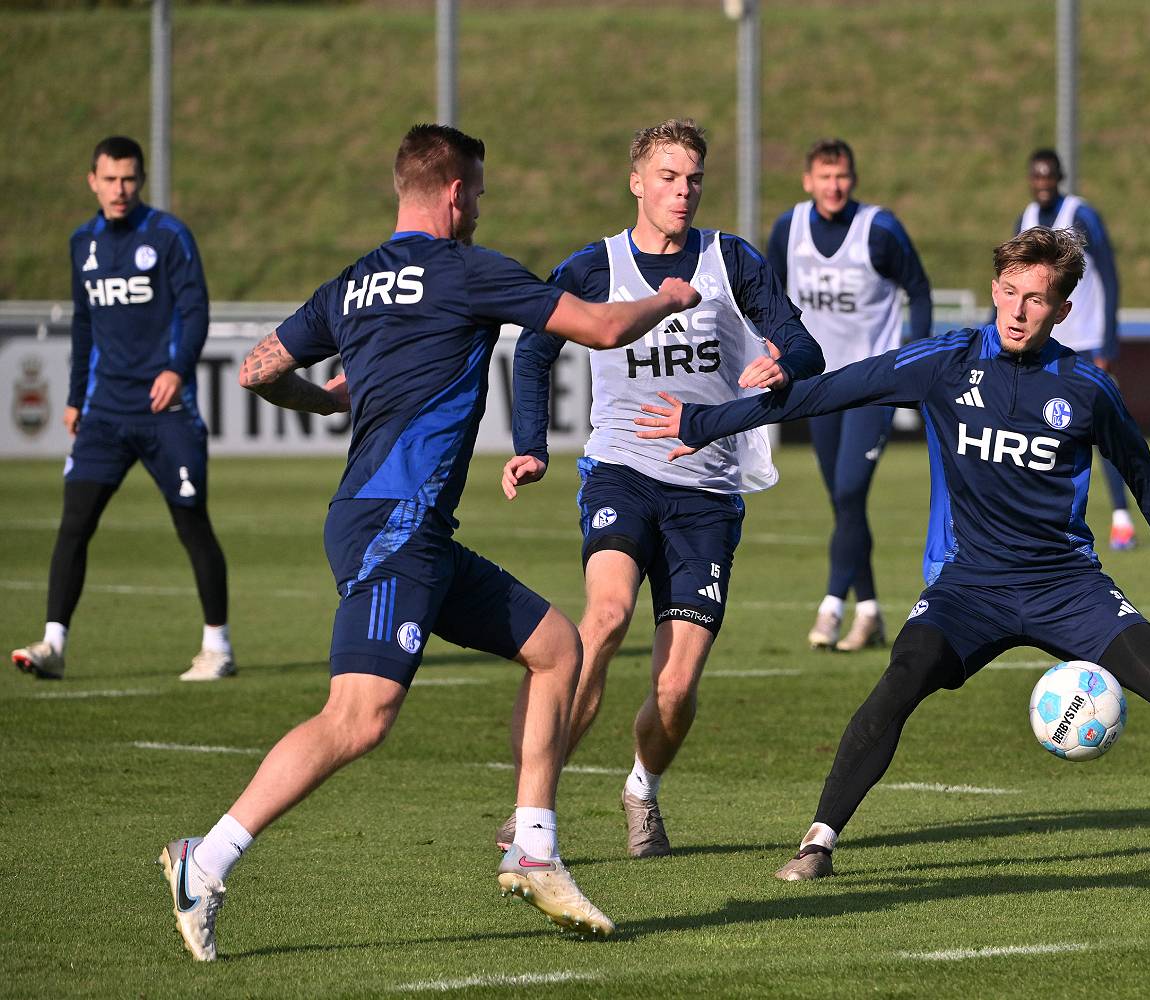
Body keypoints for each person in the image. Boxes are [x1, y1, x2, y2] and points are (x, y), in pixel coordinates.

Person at [157, 124, 703, 960]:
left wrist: (329, 404)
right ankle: (209, 856)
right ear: (453, 194)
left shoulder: (352, 284)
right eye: (478, 193)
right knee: (361, 715)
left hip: (407, 526)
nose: (481, 207)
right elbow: (594, 326)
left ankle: (535, 847)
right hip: (393, 524)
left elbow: (258, 369)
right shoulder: (469, 270)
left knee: (558, 648)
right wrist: (664, 299)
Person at [638, 227, 1150, 884]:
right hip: (970, 587)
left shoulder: (1086, 388)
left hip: (1067, 586)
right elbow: (830, 391)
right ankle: (818, 842)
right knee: (901, 677)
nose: (1019, 311)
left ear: (1062, 309)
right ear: (994, 290)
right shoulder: (947, 361)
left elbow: (1145, 477)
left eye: (1037, 299)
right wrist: (706, 422)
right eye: (1010, 293)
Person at [504, 119, 824, 859]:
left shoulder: (731, 260)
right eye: (670, 178)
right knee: (606, 616)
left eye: (694, 180)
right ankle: (534, 809)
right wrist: (531, 447)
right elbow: (534, 352)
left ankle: (641, 790)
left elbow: (802, 343)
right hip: (620, 471)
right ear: (637, 182)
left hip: (707, 494)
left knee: (675, 690)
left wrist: (783, 365)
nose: (684, 193)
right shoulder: (592, 268)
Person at [11, 136, 234, 682]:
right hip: (104, 414)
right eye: (110, 179)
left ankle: (218, 648)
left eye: (129, 178)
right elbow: (84, 324)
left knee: (191, 521)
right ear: (92, 180)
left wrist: (175, 369)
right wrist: (72, 398)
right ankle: (53, 645)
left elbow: (195, 308)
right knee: (74, 524)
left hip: (166, 411)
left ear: (141, 180)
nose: (120, 189)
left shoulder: (167, 235)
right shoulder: (82, 243)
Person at [766, 139, 933, 651]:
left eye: (841, 176)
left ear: (853, 178)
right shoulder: (788, 229)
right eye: (824, 176)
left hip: (873, 386)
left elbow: (920, 291)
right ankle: (870, 612)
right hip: (817, 385)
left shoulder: (878, 230)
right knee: (845, 503)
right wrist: (774, 346)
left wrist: (917, 364)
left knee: (847, 491)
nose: (833, 186)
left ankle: (831, 608)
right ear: (807, 180)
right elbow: (768, 295)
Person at [1016, 147, 1136, 551]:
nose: (1043, 183)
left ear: (1059, 177)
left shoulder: (1080, 216)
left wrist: (1108, 341)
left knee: (1104, 429)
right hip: (1043, 343)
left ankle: (1121, 516)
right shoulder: (1027, 219)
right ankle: (1041, 518)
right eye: (1037, 176)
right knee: (1035, 431)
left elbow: (1110, 277)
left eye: (1049, 176)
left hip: (1084, 342)